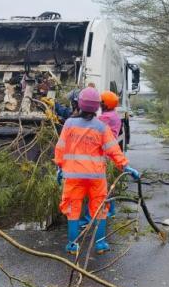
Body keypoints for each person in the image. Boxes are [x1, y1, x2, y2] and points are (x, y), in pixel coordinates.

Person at [54, 87, 140, 255]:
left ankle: (73, 244)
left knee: (73, 209)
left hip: (73, 177)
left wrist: (59, 167)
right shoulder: (101, 127)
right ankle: (100, 244)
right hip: (96, 177)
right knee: (100, 208)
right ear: (97, 106)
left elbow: (60, 148)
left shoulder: (69, 124)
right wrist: (125, 166)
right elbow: (113, 150)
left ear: (79, 104)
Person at [78, 90, 122, 227]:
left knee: (98, 189)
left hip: (105, 154)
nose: (99, 104)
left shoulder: (105, 118)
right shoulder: (113, 114)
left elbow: (89, 124)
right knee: (108, 184)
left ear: (106, 104)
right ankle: (111, 211)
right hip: (109, 152)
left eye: (101, 102)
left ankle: (90, 217)